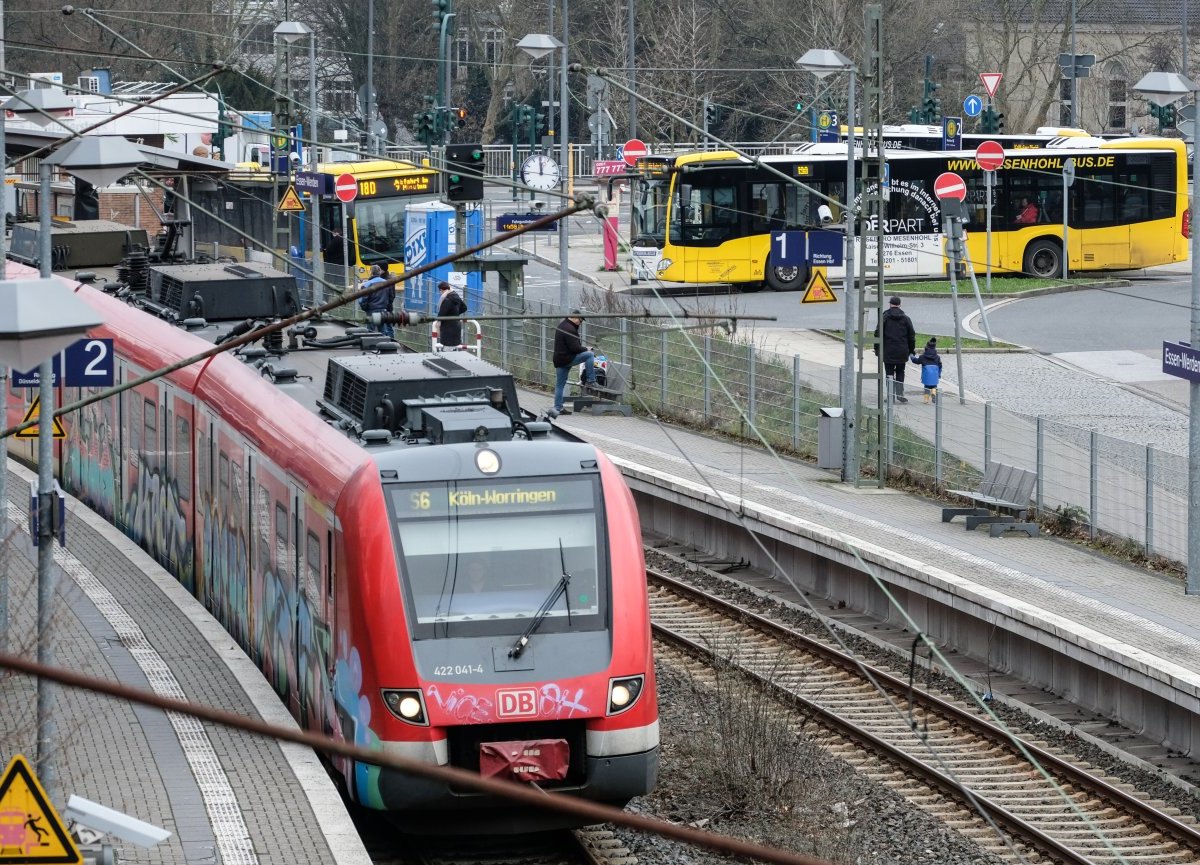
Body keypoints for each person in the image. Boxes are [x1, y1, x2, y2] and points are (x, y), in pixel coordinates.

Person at [550, 308, 598, 418]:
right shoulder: (569, 328)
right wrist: (587, 349)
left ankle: (558, 408)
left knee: (560, 385)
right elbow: (575, 348)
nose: (580, 323)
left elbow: (572, 346)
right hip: (567, 358)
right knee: (590, 355)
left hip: (559, 359)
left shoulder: (563, 325)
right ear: (574, 317)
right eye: (580, 321)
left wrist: (584, 348)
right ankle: (591, 380)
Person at [874, 296, 916, 403]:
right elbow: (911, 336)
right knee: (901, 372)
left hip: (887, 351)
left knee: (889, 373)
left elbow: (877, 333)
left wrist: (877, 349)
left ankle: (891, 396)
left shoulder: (884, 317)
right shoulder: (906, 319)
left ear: (890, 304)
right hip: (902, 351)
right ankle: (900, 394)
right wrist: (911, 350)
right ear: (900, 305)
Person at [358, 264, 400, 338]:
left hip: (371, 310)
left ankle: (371, 347)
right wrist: (387, 306)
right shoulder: (387, 283)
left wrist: (365, 308)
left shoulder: (367, 284)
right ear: (379, 272)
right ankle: (383, 346)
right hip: (383, 309)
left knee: (370, 330)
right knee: (382, 330)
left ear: (371, 272)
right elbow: (391, 297)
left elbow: (363, 299)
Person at [436, 281, 468, 348]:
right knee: (455, 350)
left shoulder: (447, 299)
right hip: (456, 326)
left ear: (441, 290)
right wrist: (455, 314)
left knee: (447, 351)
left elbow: (441, 314)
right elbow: (464, 307)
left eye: (440, 291)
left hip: (447, 328)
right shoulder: (456, 296)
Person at [913, 337, 943, 403]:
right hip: (934, 376)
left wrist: (912, 356)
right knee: (934, 386)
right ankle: (933, 393)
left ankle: (926, 400)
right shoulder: (937, 357)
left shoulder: (922, 357)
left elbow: (916, 361)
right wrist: (939, 374)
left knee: (926, 387)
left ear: (926, 348)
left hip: (926, 376)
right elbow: (940, 366)